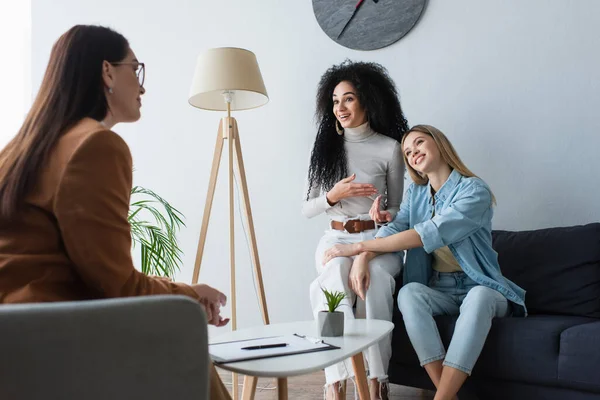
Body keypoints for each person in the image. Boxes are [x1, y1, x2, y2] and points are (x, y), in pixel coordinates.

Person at [0, 25, 231, 400]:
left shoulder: (20, 151)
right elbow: (117, 287)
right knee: (182, 333)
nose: (142, 87)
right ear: (107, 71)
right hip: (56, 341)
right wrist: (188, 297)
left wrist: (185, 291)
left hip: (16, 340)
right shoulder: (95, 146)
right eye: (135, 69)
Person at [322, 125, 527, 400]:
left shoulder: (474, 190)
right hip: (439, 288)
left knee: (478, 297)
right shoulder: (416, 195)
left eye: (419, 143)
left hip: (482, 286)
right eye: (407, 151)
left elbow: (427, 233)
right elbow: (394, 230)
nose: (413, 152)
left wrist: (359, 246)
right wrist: (364, 257)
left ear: (439, 144)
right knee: (409, 293)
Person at [302, 60, 409, 400]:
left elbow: (399, 209)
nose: (340, 107)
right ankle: (336, 381)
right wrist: (335, 195)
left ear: (367, 100)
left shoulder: (389, 148)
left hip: (378, 240)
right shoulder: (326, 149)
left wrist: (382, 215)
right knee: (333, 277)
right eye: (335, 101)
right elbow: (308, 207)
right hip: (335, 237)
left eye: (348, 99)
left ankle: (376, 382)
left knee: (374, 283)